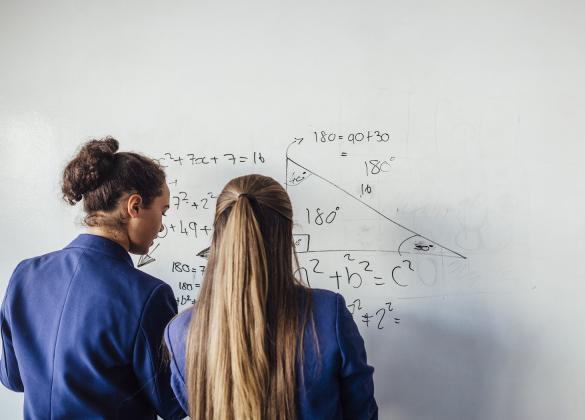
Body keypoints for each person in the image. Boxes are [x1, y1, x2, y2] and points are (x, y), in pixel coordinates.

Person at [164, 174, 378, 419]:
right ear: (286, 235)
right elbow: (363, 413)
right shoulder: (329, 314)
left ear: (219, 235)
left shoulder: (181, 333)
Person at [0, 137, 185, 419]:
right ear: (134, 207)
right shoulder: (147, 294)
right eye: (163, 211)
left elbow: (12, 378)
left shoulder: (24, 274)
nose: (162, 225)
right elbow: (171, 403)